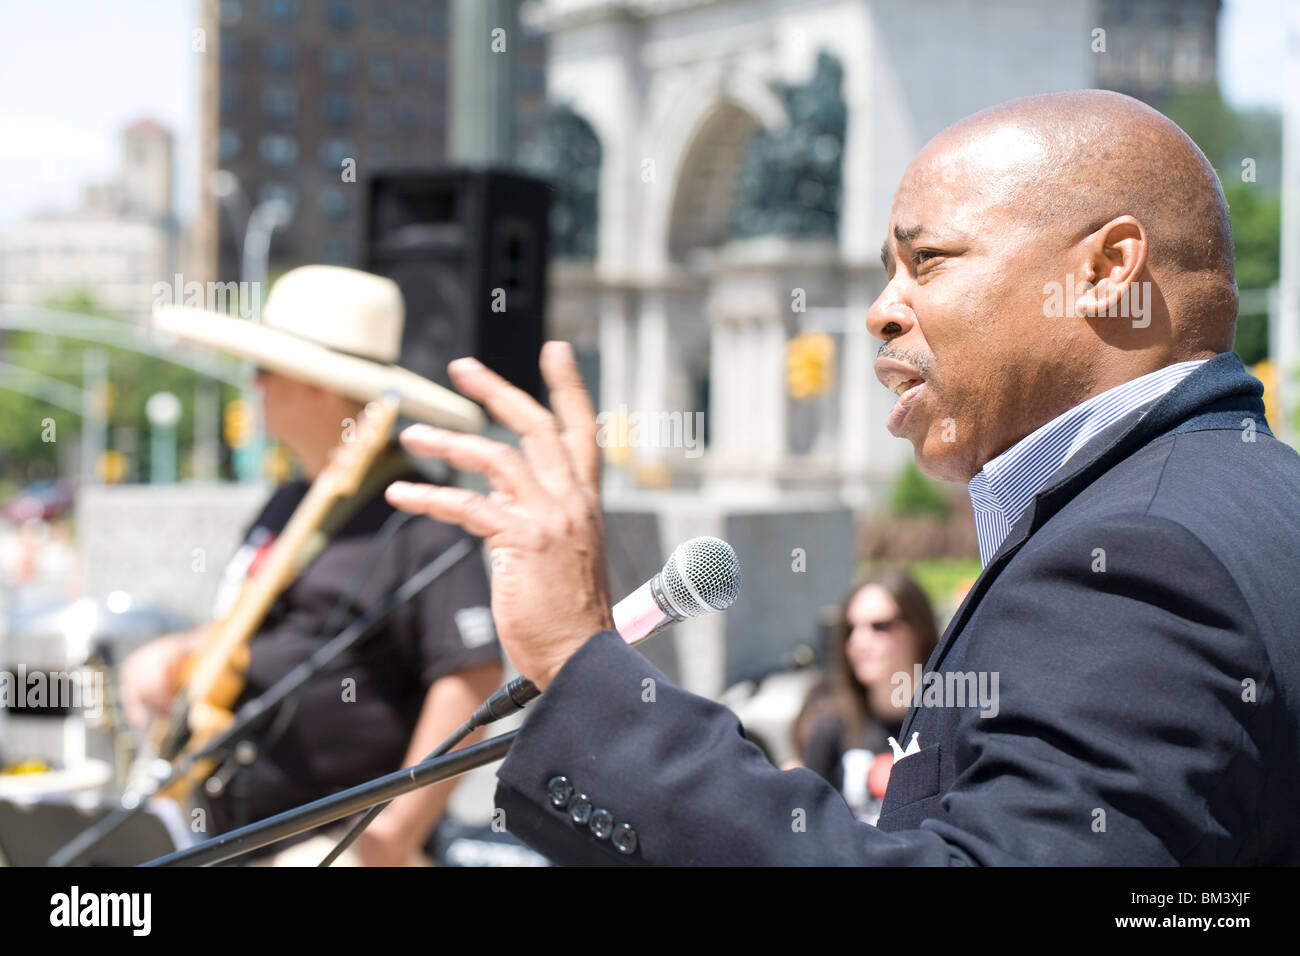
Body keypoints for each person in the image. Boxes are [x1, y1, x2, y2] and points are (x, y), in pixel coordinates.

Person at [385, 90, 1300, 864]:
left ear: (1107, 270)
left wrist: (580, 671)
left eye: (926, 261)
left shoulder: (1135, 556)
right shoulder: (1240, 498)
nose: (878, 313)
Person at [121, 266, 504, 866]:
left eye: (266, 370)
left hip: (341, 844)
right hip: (235, 833)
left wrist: (391, 836)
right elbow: (266, 629)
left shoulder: (422, 518)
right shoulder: (289, 499)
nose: (253, 383)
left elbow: (470, 676)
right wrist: (179, 652)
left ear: (318, 386)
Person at [794, 571, 940, 823]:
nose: (858, 641)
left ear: (919, 629)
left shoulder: (947, 720)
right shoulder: (828, 718)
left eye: (880, 626)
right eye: (850, 628)